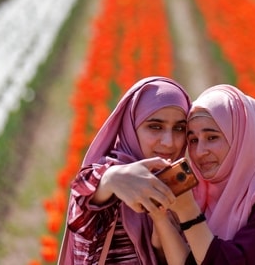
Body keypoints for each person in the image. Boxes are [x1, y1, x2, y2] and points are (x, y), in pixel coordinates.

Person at [150, 84, 255, 265]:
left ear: (245, 141)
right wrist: (159, 217)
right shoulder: (204, 201)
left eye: (212, 137)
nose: (199, 152)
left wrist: (188, 212)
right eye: (193, 140)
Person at [58, 76, 192, 265]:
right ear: (131, 126)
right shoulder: (108, 177)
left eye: (179, 128)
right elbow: (82, 200)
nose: (169, 142)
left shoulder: (184, 186)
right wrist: (112, 178)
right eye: (155, 126)